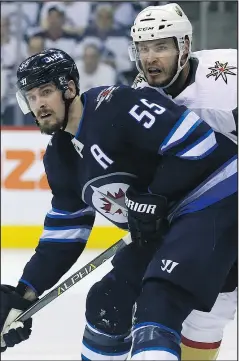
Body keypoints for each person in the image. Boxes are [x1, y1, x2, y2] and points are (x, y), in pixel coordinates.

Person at [0, 49, 237, 361]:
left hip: (213, 199)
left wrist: (154, 195)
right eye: (31, 97)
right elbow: (65, 233)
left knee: (158, 299)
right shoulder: (59, 157)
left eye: (46, 92)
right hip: (163, 229)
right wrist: (24, 293)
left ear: (69, 88)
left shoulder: (118, 105)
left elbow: (198, 142)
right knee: (105, 303)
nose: (39, 104)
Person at [129, 3, 238, 359]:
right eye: (143, 48)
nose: (150, 57)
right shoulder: (141, 95)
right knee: (204, 317)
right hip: (217, 217)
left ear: (185, 47)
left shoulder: (229, 74)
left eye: (160, 45)